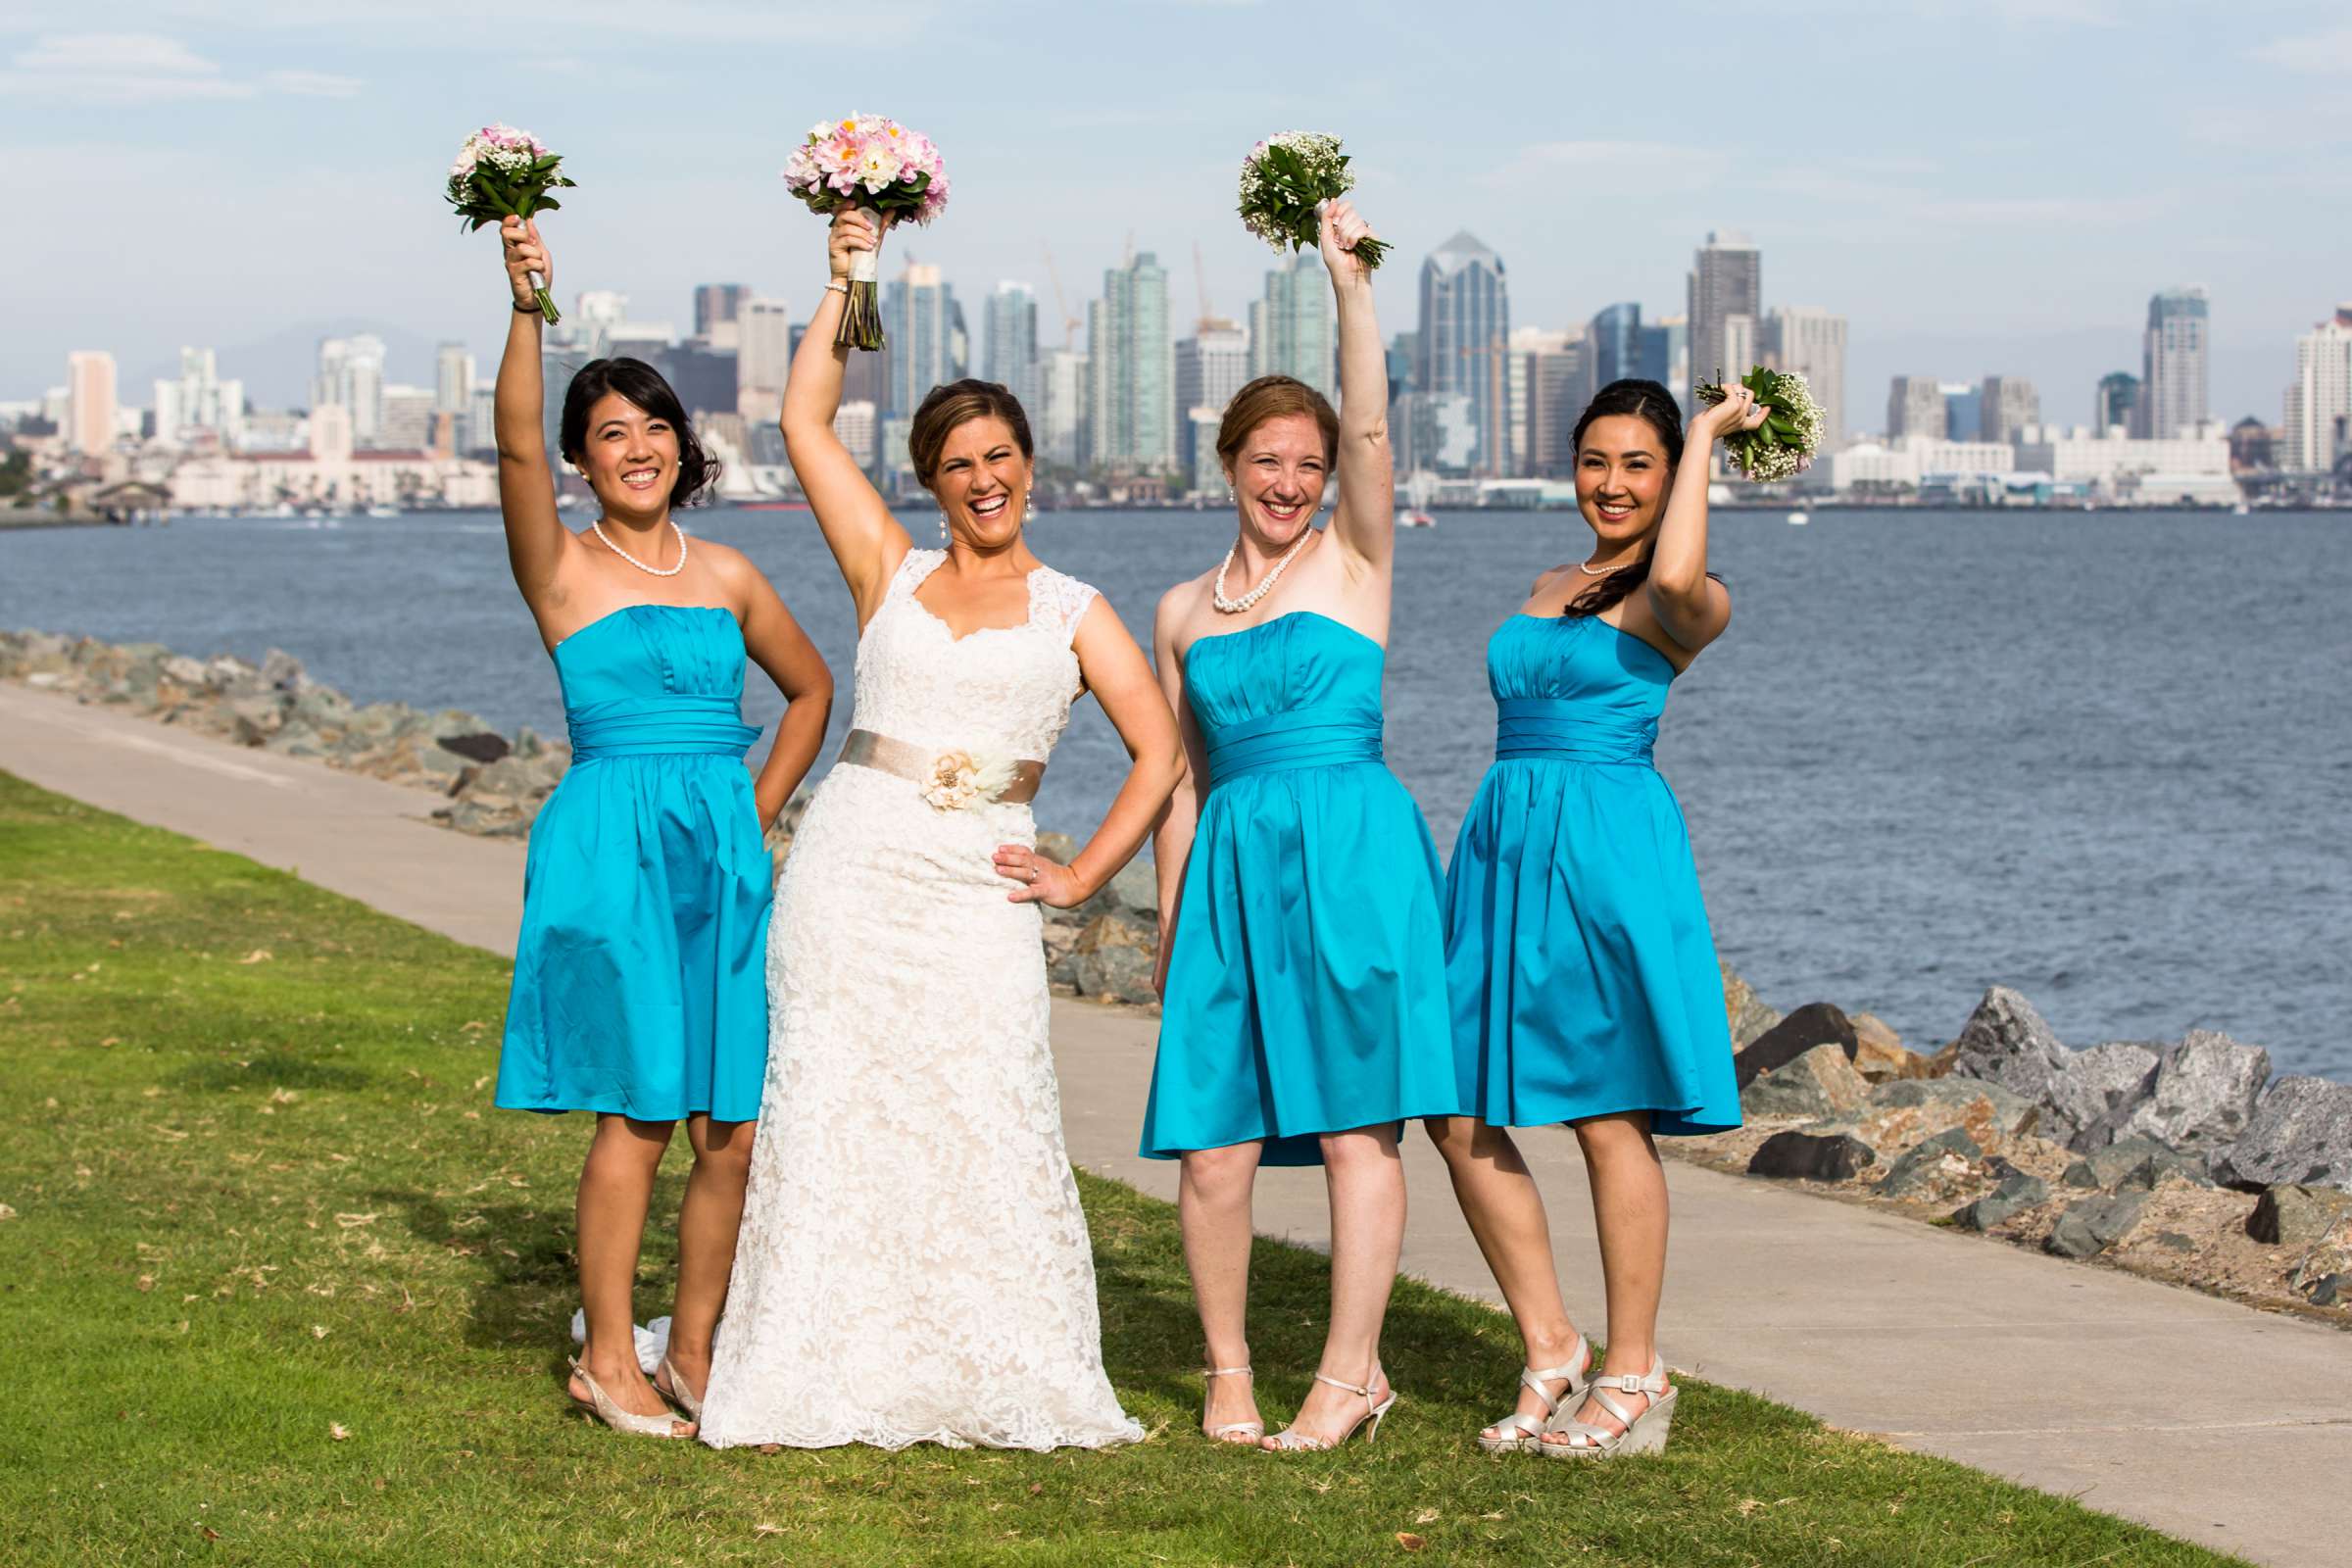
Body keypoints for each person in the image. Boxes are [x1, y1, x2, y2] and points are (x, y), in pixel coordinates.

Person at [696, 208, 1183, 1451]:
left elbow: (1161, 748)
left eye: (1003, 454)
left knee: (981, 1105)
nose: (985, 478)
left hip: (976, 888)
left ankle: (989, 1364)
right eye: (960, 462)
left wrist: (1081, 873)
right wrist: (847, 276)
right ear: (931, 478)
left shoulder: (1078, 608)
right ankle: (819, 1355)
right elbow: (804, 421)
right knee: (836, 1107)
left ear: (1030, 462)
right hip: (852, 869)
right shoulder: (890, 572)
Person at [486, 216, 834, 1437]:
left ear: (686, 447)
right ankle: (606, 1361)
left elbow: (812, 693)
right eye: (609, 435)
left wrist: (755, 806)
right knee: (635, 1106)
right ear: (584, 461)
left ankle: (689, 1350)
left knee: (728, 1122)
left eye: (652, 429)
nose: (635, 449)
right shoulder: (561, 568)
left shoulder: (731, 572)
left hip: (719, 850)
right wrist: (530, 304)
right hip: (609, 843)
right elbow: (513, 445)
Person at [1140, 201, 1462, 1452]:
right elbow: (1176, 783)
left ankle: (1346, 1377)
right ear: (1229, 464)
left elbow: (1370, 420)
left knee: (1352, 1128)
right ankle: (1229, 1373)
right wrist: (1172, 926)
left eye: (1308, 465)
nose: (1289, 483)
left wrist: (1349, 287)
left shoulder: (1357, 564)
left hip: (1352, 853)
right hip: (1227, 876)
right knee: (1214, 1146)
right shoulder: (1180, 610)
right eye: (1268, 461)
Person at [1428, 376, 1759, 1460]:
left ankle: (1635, 1369)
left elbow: (1669, 564)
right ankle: (1553, 1346)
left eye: (1639, 466)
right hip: (1504, 844)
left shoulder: (1689, 595)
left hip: (1606, 857)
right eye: (1595, 462)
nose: (1611, 485)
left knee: (1606, 1115)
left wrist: (1706, 431)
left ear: (1674, 477)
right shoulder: (1549, 579)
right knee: (1457, 1105)